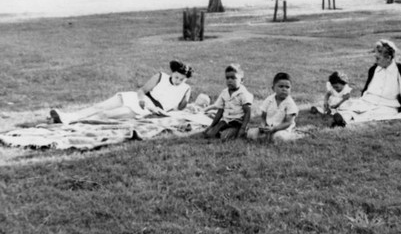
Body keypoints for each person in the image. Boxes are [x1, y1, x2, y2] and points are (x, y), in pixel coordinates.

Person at [49, 60, 194, 124]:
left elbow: (180, 108)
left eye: (182, 79)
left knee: (106, 115)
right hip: (141, 100)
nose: (178, 81)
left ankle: (71, 121)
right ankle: (67, 117)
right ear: (172, 73)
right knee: (99, 106)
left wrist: (186, 94)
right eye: (176, 77)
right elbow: (142, 91)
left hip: (149, 110)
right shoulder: (160, 76)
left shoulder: (185, 88)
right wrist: (142, 99)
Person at [333, 39, 401, 127]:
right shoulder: (374, 69)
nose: (375, 61)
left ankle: (345, 120)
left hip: (388, 104)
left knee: (375, 114)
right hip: (369, 100)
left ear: (388, 58)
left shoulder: (398, 70)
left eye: (378, 58)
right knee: (353, 107)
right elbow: (366, 89)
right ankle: (343, 118)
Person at [203, 64, 253, 141]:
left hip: (237, 123)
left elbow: (247, 112)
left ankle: (237, 132)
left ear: (241, 80)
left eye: (233, 78)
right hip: (225, 121)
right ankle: (221, 131)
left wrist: (243, 128)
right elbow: (220, 111)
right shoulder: (224, 93)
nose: (229, 80)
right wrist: (212, 125)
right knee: (208, 134)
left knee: (224, 137)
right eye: (227, 78)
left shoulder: (243, 94)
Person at [247, 72, 299, 142]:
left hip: (283, 129)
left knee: (279, 137)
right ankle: (266, 136)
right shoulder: (269, 99)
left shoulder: (290, 103)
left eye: (287, 87)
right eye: (281, 86)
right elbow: (263, 116)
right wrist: (262, 125)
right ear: (273, 88)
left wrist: (274, 129)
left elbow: (288, 122)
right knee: (250, 134)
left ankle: (293, 135)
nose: (284, 89)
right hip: (268, 127)